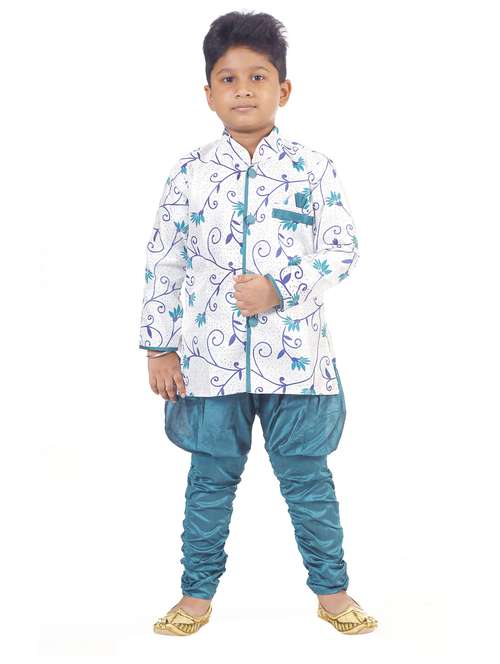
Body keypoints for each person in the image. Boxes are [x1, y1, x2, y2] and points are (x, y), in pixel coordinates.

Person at [139, 10, 378, 636]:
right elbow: (165, 261)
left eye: (258, 76)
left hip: (296, 358)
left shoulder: (313, 168)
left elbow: (343, 249)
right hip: (207, 362)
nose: (243, 90)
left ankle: (333, 592)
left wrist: (281, 287)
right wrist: (160, 348)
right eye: (228, 78)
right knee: (208, 480)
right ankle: (195, 595)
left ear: (283, 89)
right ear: (209, 92)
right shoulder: (188, 172)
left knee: (307, 479)